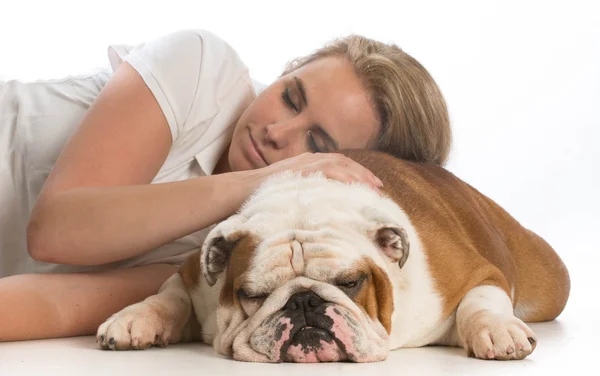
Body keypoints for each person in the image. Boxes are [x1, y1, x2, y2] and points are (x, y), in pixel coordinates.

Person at [0, 29, 451, 341]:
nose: (277, 131)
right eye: (289, 97)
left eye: (314, 144)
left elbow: (55, 303)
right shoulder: (200, 68)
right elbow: (56, 229)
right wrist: (258, 180)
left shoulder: (244, 257)